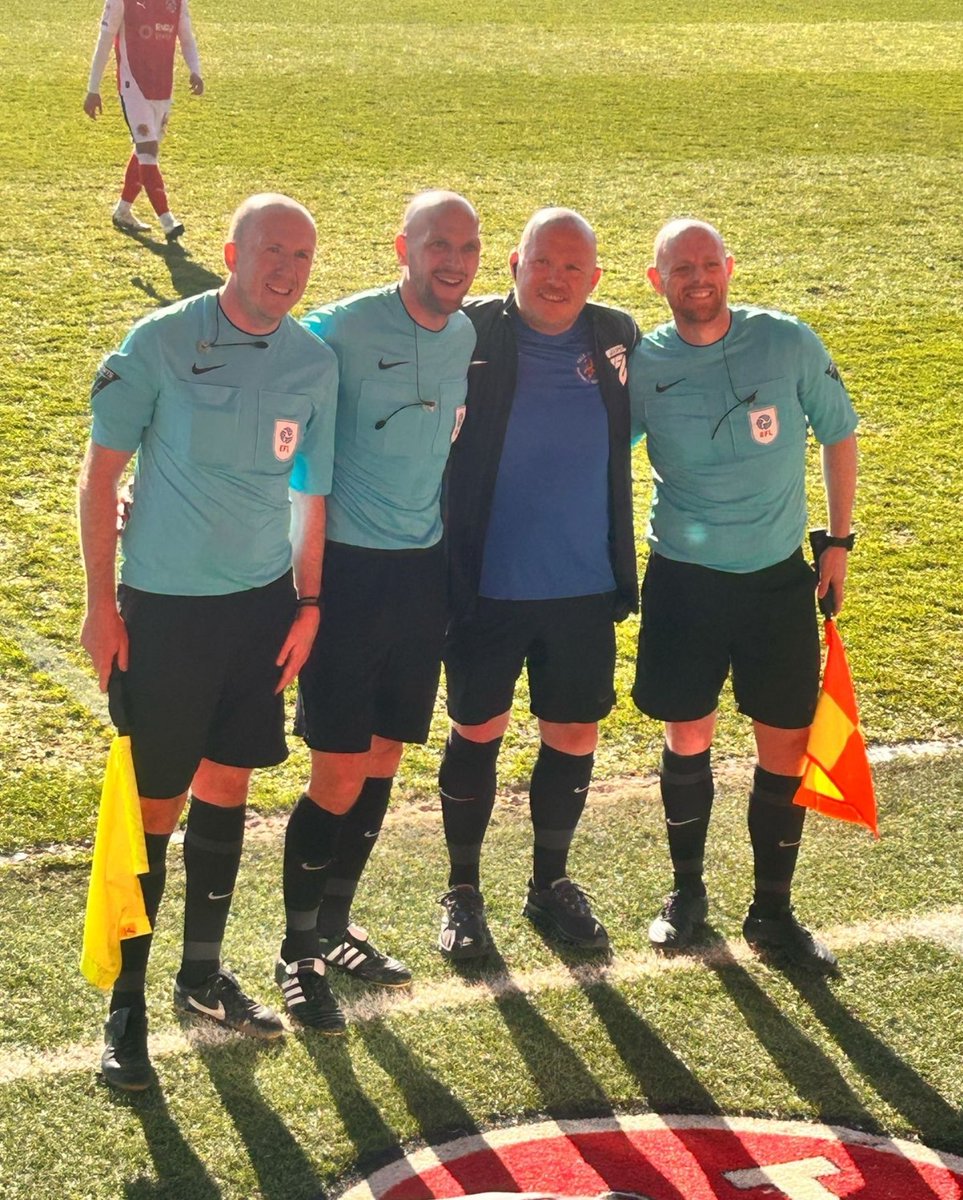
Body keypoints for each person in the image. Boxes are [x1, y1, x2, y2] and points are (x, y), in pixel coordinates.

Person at [77, 193, 338, 1090]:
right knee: (155, 808)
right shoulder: (158, 342)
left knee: (228, 788)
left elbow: (312, 491)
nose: (287, 270)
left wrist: (308, 603)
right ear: (231, 252)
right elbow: (101, 474)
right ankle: (128, 1006)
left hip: (261, 610)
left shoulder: (313, 363)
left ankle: (201, 973)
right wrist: (100, 607)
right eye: (272, 251)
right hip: (165, 612)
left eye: (302, 256)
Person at [629, 218, 859, 973]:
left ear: (728, 268)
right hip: (682, 583)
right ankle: (686, 894)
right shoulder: (643, 364)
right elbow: (591, 453)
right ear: (655, 279)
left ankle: (772, 910)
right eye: (679, 268)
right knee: (686, 735)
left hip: (774, 582)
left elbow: (838, 433)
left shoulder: (785, 340)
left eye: (707, 264)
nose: (696, 278)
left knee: (782, 743)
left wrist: (837, 540)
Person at [274, 190, 481, 1026]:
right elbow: (266, 371)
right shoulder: (341, 329)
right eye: (438, 244)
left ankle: (334, 924)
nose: (453, 261)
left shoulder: (467, 332)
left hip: (420, 575)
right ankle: (296, 953)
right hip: (347, 577)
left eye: (467, 247)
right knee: (336, 772)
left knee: (388, 756)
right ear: (403, 246)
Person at [436, 208, 640, 959]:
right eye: (542, 263)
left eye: (572, 268)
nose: (556, 279)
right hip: (485, 585)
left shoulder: (614, 335)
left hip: (582, 586)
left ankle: (548, 883)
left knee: (573, 734)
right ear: (514, 261)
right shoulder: (470, 330)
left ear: (594, 277)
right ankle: (461, 891)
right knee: (476, 732)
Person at [84, 0, 204, 240]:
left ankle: (123, 211)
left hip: (163, 89)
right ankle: (167, 220)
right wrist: (93, 89)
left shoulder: (177, 2)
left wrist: (195, 70)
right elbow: (105, 39)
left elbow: (187, 38)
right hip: (133, 86)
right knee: (147, 149)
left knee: (146, 151)